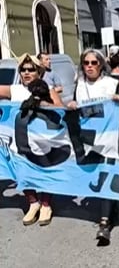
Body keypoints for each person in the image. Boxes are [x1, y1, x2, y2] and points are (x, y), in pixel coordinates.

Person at [0, 53, 62, 226]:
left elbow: (60, 109)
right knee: (22, 172)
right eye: (23, 70)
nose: (27, 73)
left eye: (31, 70)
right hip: (20, 141)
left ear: (38, 72)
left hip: (42, 141)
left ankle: (45, 204)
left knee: (43, 171)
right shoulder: (15, 90)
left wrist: (41, 103)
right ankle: (33, 203)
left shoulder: (47, 89)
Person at [67, 49, 119, 245]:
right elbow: (75, 109)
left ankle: (104, 224)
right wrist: (72, 104)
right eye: (86, 63)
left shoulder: (112, 84)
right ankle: (113, 206)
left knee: (106, 177)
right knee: (98, 177)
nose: (89, 66)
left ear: (101, 65)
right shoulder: (79, 85)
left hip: (110, 139)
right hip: (89, 141)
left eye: (94, 63)